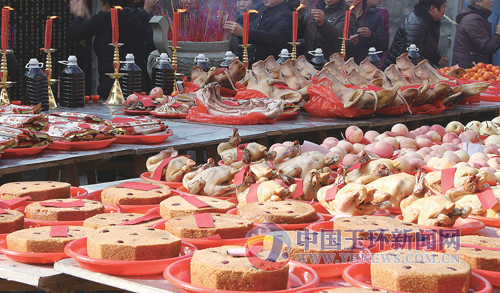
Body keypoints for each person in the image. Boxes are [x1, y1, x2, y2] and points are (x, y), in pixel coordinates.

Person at [68, 0, 149, 100]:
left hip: (110, 88)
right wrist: (89, 20)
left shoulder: (104, 18)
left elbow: (73, 33)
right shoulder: (135, 20)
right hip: (135, 84)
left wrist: (79, 15)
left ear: (105, 3)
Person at [384, 0, 448, 69]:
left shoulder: (431, 23)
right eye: (443, 7)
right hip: (398, 73)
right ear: (432, 9)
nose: (444, 10)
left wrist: (438, 58)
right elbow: (413, 57)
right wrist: (433, 71)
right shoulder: (415, 25)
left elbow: (426, 49)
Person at [224, 0, 293, 64]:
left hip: (273, 65)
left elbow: (276, 38)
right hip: (257, 62)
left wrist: (244, 33)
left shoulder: (286, 13)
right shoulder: (263, 8)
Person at [452, 0, 500, 69]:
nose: (492, 0)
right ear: (477, 1)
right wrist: (498, 34)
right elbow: (486, 47)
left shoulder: (477, 18)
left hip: (470, 69)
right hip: (467, 71)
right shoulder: (473, 20)